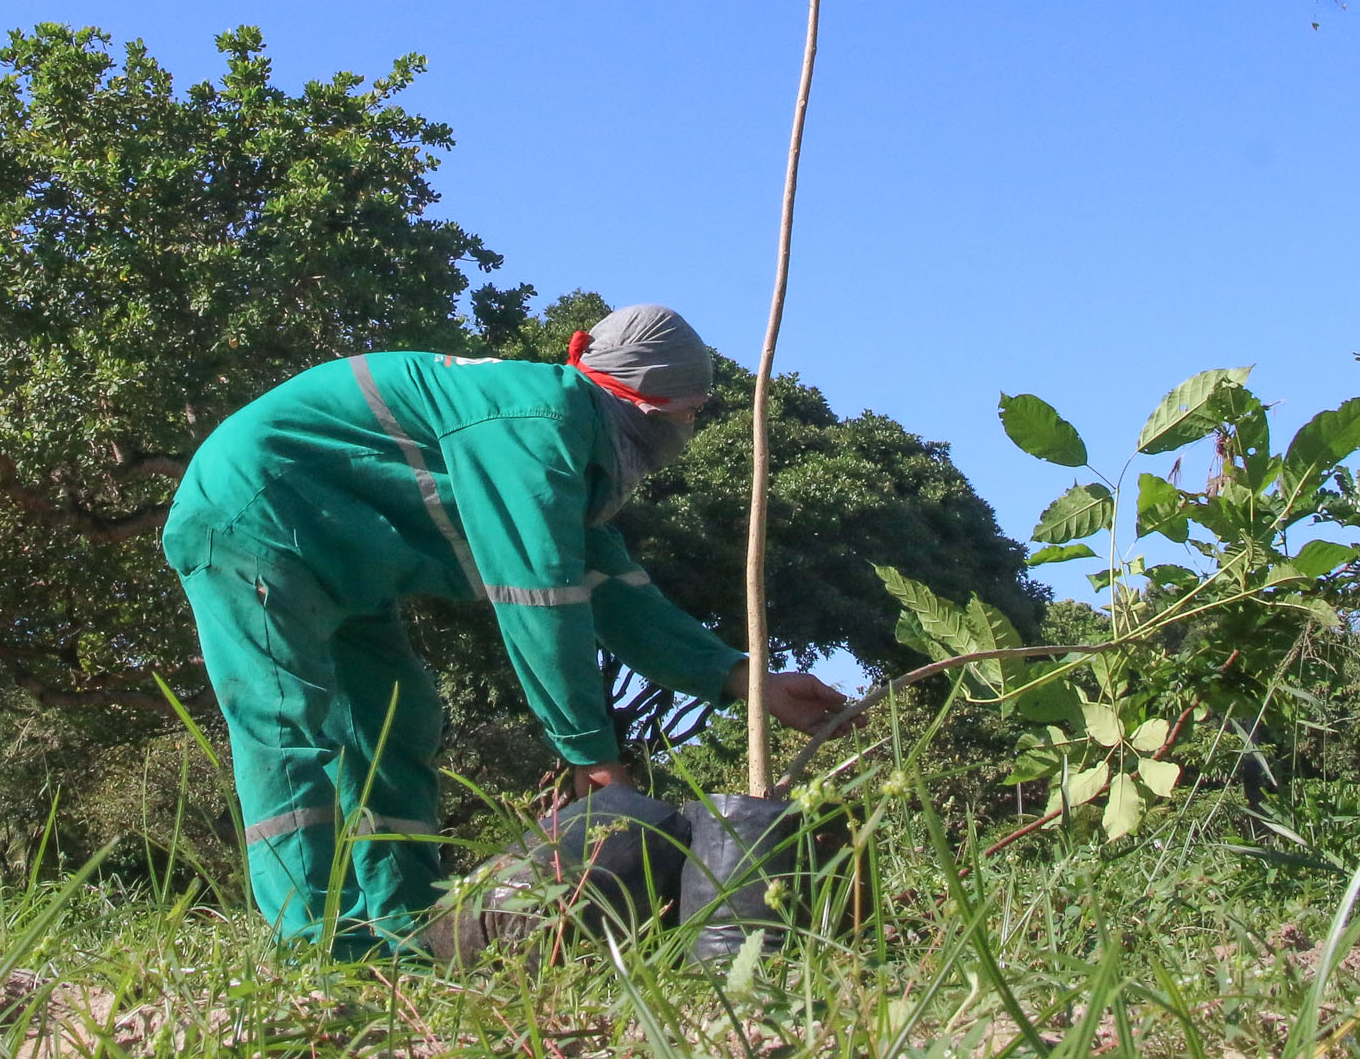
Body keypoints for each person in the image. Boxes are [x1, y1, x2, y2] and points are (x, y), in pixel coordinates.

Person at [163, 304, 849, 957]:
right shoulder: (539, 424)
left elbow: (616, 594)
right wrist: (589, 753)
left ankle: (402, 932)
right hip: (254, 518)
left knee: (395, 721)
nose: (687, 436)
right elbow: (539, 595)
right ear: (648, 407)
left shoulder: (562, 440)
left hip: (343, 550)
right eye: (691, 415)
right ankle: (314, 941)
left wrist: (744, 680)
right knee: (287, 722)